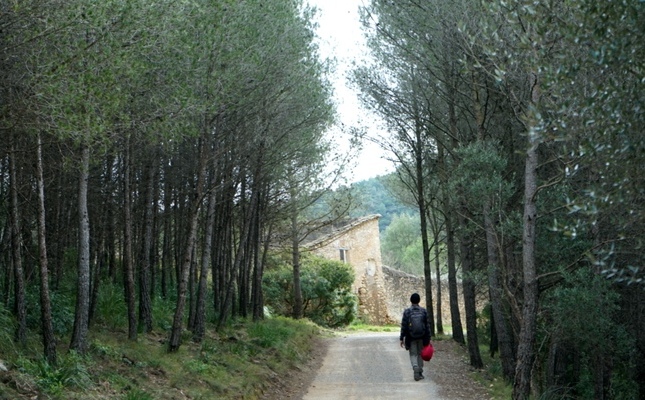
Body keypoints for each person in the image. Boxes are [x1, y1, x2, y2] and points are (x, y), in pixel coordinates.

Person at [399, 292, 431, 381]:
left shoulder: (407, 311)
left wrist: (402, 338)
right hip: (422, 336)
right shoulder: (423, 311)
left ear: (411, 300)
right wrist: (428, 338)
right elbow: (427, 326)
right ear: (419, 300)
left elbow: (404, 326)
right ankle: (420, 371)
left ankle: (415, 367)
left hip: (411, 336)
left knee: (413, 354)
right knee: (420, 353)